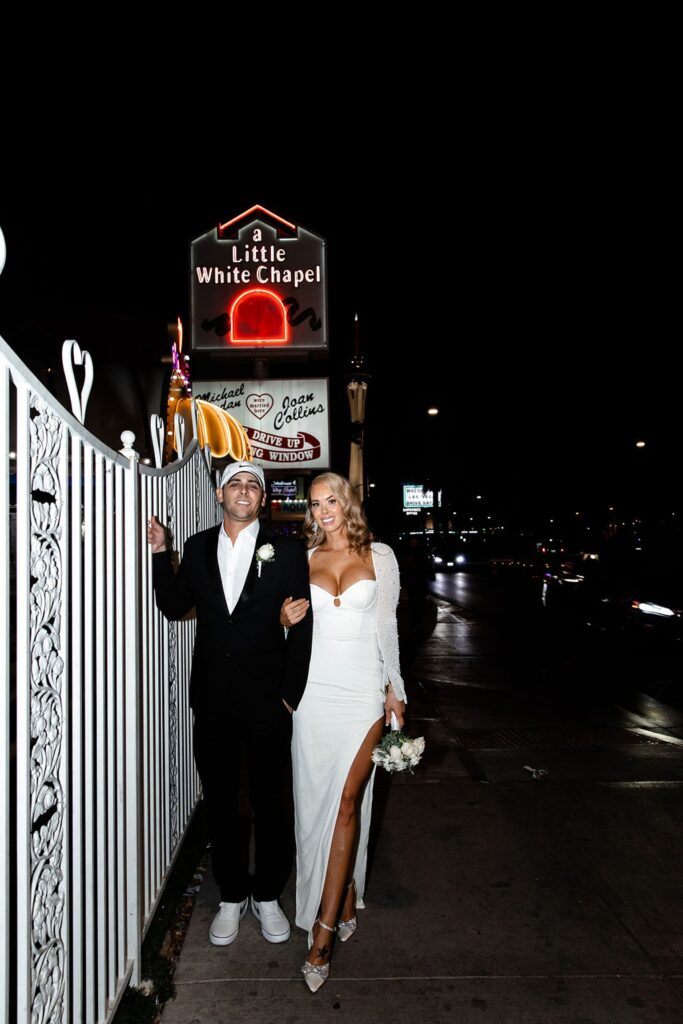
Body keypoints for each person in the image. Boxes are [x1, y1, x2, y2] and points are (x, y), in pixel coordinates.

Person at [147, 461, 312, 949]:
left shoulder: (286, 550)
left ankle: (266, 896)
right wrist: (160, 553)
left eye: (252, 486)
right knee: (220, 800)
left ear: (262, 499)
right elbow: (175, 606)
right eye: (235, 484)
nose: (244, 491)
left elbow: (302, 626)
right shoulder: (197, 546)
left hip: (268, 699)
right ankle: (232, 894)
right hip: (213, 698)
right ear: (221, 495)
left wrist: (289, 695)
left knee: (269, 801)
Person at [280, 472, 406, 992]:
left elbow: (388, 629)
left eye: (332, 499)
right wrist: (284, 622)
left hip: (361, 697)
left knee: (349, 800)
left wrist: (395, 689)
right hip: (313, 697)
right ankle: (345, 890)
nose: (324, 509)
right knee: (316, 808)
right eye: (315, 503)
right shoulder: (301, 559)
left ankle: (324, 932)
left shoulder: (381, 556)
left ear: (348, 501)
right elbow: (289, 628)